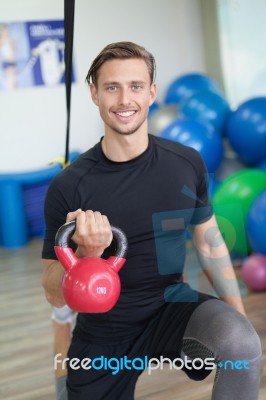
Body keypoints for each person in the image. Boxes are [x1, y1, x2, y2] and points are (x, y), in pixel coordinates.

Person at [42, 41, 262, 400]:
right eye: (112, 87)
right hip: (104, 331)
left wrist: (239, 319)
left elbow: (209, 242)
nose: (125, 99)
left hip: (170, 310)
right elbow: (53, 293)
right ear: (94, 94)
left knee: (241, 343)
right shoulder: (70, 185)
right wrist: (83, 257)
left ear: (152, 93)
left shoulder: (185, 162)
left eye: (136, 86)